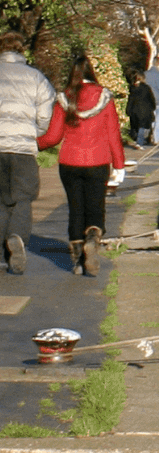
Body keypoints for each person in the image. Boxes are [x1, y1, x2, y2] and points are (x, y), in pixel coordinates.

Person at [39, 55, 125, 275]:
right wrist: (119, 165)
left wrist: (33, 144)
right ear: (91, 72)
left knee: (75, 208)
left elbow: (53, 136)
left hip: (70, 162)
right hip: (98, 161)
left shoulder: (65, 98)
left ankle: (77, 259)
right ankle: (93, 238)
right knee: (96, 207)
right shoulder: (104, 98)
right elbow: (113, 134)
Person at [0, 32, 55, 274]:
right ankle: (17, 237)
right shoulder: (36, 78)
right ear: (22, 50)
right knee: (23, 198)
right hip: (23, 147)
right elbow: (45, 115)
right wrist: (35, 131)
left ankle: (2, 253)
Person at [127, 71, 156, 146]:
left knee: (137, 126)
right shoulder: (146, 88)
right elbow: (151, 98)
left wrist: (128, 110)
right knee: (144, 126)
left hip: (135, 110)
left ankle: (139, 140)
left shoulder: (132, 88)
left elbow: (130, 99)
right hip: (145, 110)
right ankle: (141, 141)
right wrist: (153, 106)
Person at [145, 54, 159, 144]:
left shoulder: (146, 74)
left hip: (148, 99)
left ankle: (147, 136)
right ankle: (156, 139)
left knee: (150, 118)